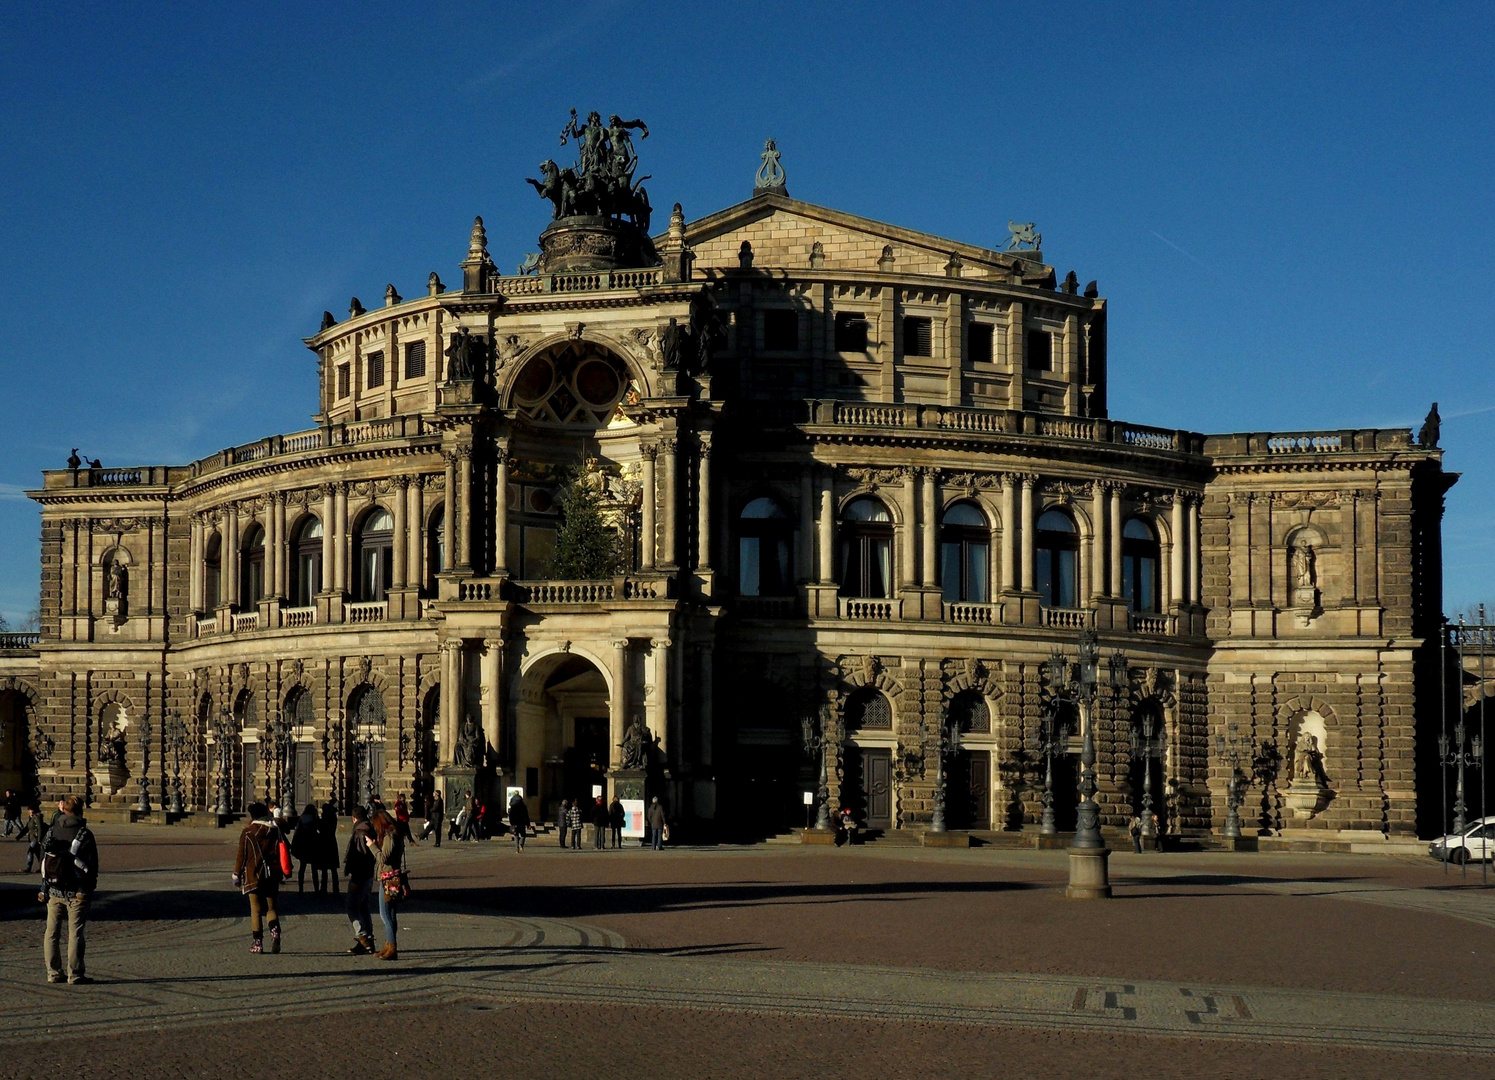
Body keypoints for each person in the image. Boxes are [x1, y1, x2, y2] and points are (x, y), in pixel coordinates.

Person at [39, 795, 97, 984]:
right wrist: (88, 888)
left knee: (51, 932)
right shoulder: (83, 833)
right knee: (75, 934)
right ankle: (75, 973)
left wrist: (44, 887)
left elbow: (43, 859)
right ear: (80, 811)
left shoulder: (51, 831)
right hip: (76, 891)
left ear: (64, 810)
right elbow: (92, 864)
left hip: (53, 888)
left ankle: (53, 972)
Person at [233, 801, 285, 955]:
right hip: (272, 874)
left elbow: (241, 857)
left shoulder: (248, 832)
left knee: (255, 909)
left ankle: (258, 944)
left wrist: (236, 874)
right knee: (271, 908)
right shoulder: (275, 831)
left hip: (253, 874)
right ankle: (275, 932)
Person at [364, 809, 405, 961]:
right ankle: (388, 945)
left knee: (385, 914)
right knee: (391, 914)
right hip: (394, 877)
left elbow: (384, 858)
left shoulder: (390, 836)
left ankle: (392, 947)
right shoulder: (397, 834)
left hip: (388, 879)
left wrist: (372, 846)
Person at [342, 805, 376, 955]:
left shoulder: (360, 832)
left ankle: (363, 936)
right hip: (368, 874)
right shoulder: (368, 828)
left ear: (354, 818)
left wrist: (355, 876)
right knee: (364, 908)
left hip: (360, 875)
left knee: (352, 907)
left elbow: (360, 857)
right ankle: (368, 942)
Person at [291, 803, 320, 893]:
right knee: (314, 869)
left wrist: (294, 845)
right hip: (313, 844)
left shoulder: (301, 819)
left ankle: (300, 889)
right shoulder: (314, 819)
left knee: (302, 868)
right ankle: (316, 889)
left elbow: (297, 832)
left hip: (303, 845)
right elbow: (319, 829)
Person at [315, 801, 341, 895]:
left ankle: (323, 888)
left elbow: (320, 827)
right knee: (333, 869)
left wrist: (318, 818)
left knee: (324, 868)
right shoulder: (333, 817)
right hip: (332, 843)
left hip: (324, 843)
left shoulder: (325, 818)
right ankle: (336, 889)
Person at [22, 805, 44, 873]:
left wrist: (39, 839)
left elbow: (40, 828)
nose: (30, 811)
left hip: (35, 838)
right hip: (32, 838)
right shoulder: (31, 818)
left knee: (30, 852)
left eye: (31, 810)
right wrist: (20, 835)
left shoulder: (37, 817)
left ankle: (28, 868)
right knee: (38, 854)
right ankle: (42, 867)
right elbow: (27, 827)